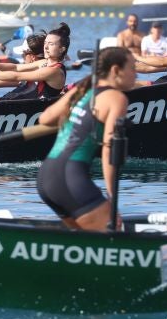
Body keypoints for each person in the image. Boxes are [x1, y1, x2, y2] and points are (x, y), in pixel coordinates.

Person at [36, 47, 136, 231]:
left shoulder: (83, 88)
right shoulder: (117, 98)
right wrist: (112, 198)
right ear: (115, 70)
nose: (135, 74)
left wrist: (78, 118)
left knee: (83, 245)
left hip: (46, 177)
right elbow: (109, 149)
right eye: (132, 68)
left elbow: (45, 118)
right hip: (71, 178)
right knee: (111, 238)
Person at [0, 23, 70, 101]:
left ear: (61, 49)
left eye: (51, 44)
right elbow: (16, 67)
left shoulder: (55, 71)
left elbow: (17, 76)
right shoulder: (43, 62)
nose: (46, 47)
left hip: (34, 110)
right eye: (46, 43)